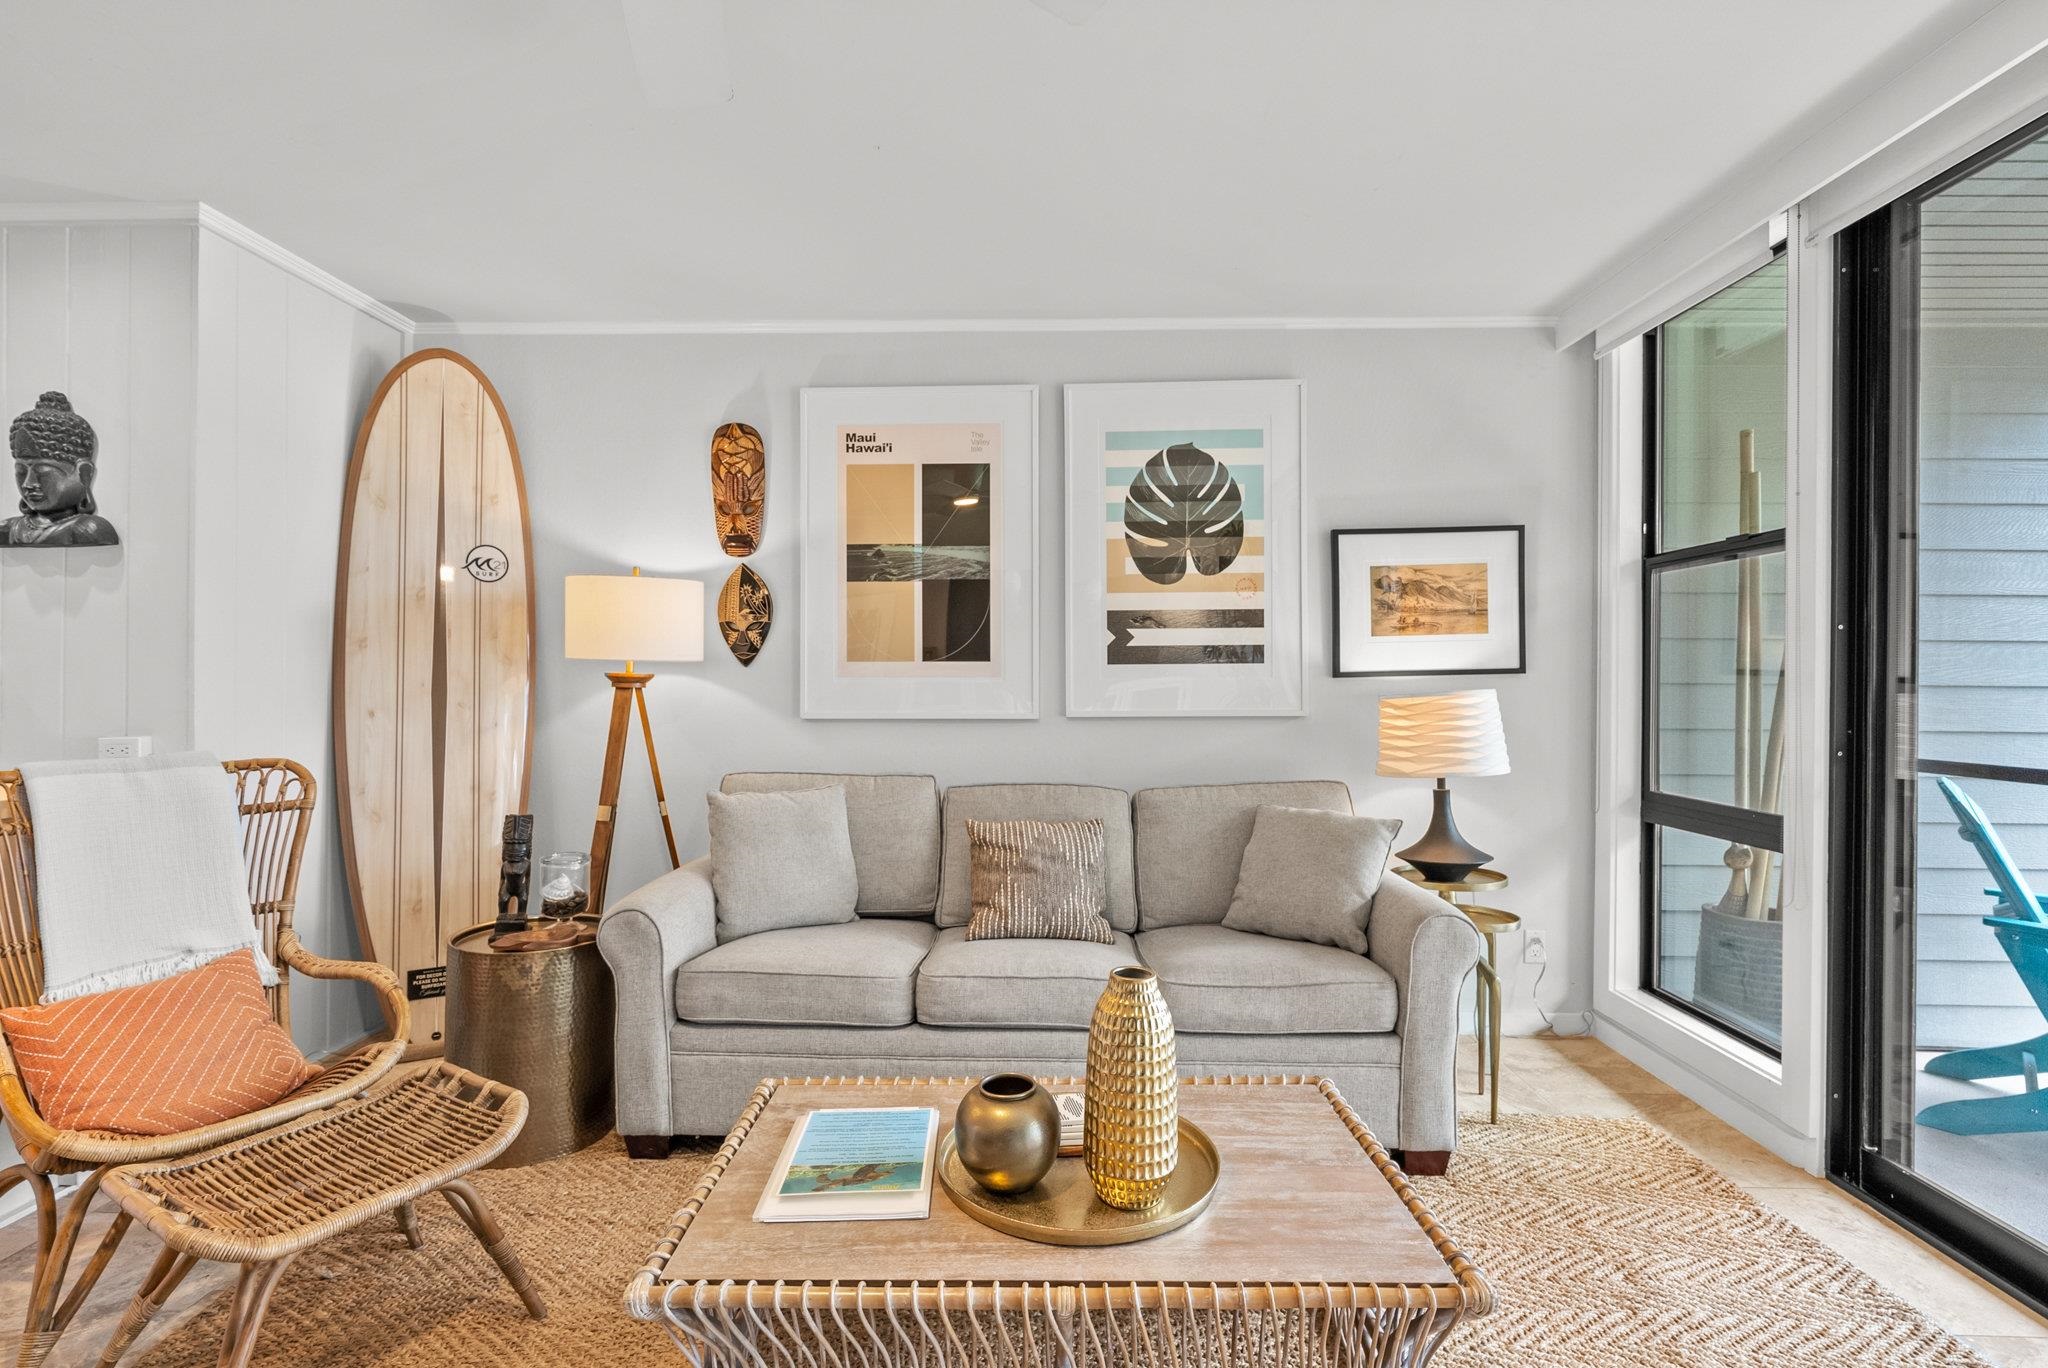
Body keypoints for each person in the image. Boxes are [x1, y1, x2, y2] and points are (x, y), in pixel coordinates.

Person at [4, 391, 117, 547]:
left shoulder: (87, 531)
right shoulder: (7, 530)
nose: (27, 484)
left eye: (43, 473)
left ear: (84, 474)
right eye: (21, 472)